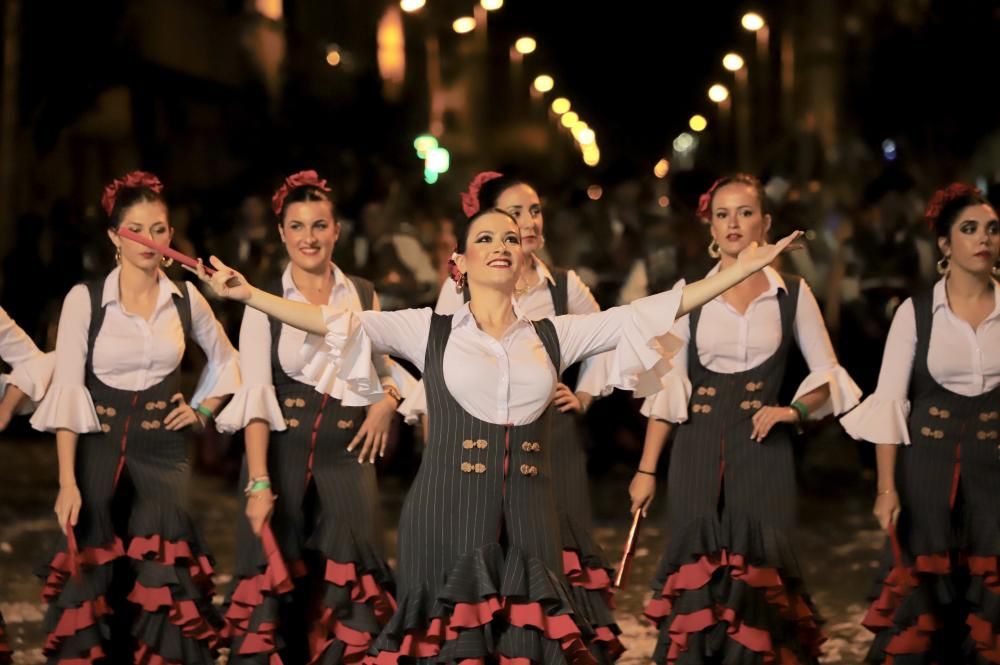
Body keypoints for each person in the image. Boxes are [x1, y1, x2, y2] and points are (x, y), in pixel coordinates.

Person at [194, 203, 801, 664]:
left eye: (511, 238)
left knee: (531, 643)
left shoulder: (555, 334)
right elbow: (333, 321)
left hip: (533, 517)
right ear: (459, 261)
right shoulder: (425, 329)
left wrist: (739, 272)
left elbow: (655, 312)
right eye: (485, 238)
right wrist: (251, 295)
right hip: (446, 515)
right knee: (450, 644)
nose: (501, 245)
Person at [629, 174, 861, 664]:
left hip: (764, 451)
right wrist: (646, 469)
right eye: (722, 214)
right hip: (695, 448)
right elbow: (662, 382)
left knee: (762, 577)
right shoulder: (687, 294)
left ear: (767, 222)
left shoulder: (792, 293)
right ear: (710, 228)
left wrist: (793, 409)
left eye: (745, 212)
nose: (734, 223)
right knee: (698, 578)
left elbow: (828, 372)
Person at [31, 171, 241, 663]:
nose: (151, 240)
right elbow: (67, 386)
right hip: (96, 446)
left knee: (162, 577)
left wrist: (202, 410)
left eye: (161, 229)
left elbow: (229, 361)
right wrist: (66, 480)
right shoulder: (85, 299)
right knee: (98, 580)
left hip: (165, 453)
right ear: (114, 237)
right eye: (138, 230)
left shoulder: (186, 299)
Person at [216, 170, 410, 663]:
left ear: (336, 230)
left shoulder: (363, 293)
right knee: (274, 598)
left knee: (354, 591)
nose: (309, 237)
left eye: (319, 225)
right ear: (282, 233)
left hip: (348, 457)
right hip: (282, 455)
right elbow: (256, 396)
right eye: (297, 226)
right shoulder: (260, 300)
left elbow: (383, 368)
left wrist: (386, 401)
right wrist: (258, 483)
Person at [841, 183, 1000, 663]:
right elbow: (891, 402)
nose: (984, 239)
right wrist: (886, 488)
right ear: (946, 245)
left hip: (992, 476)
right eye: (969, 229)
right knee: (925, 609)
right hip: (925, 475)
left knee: (988, 604)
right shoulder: (915, 313)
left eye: (992, 229)